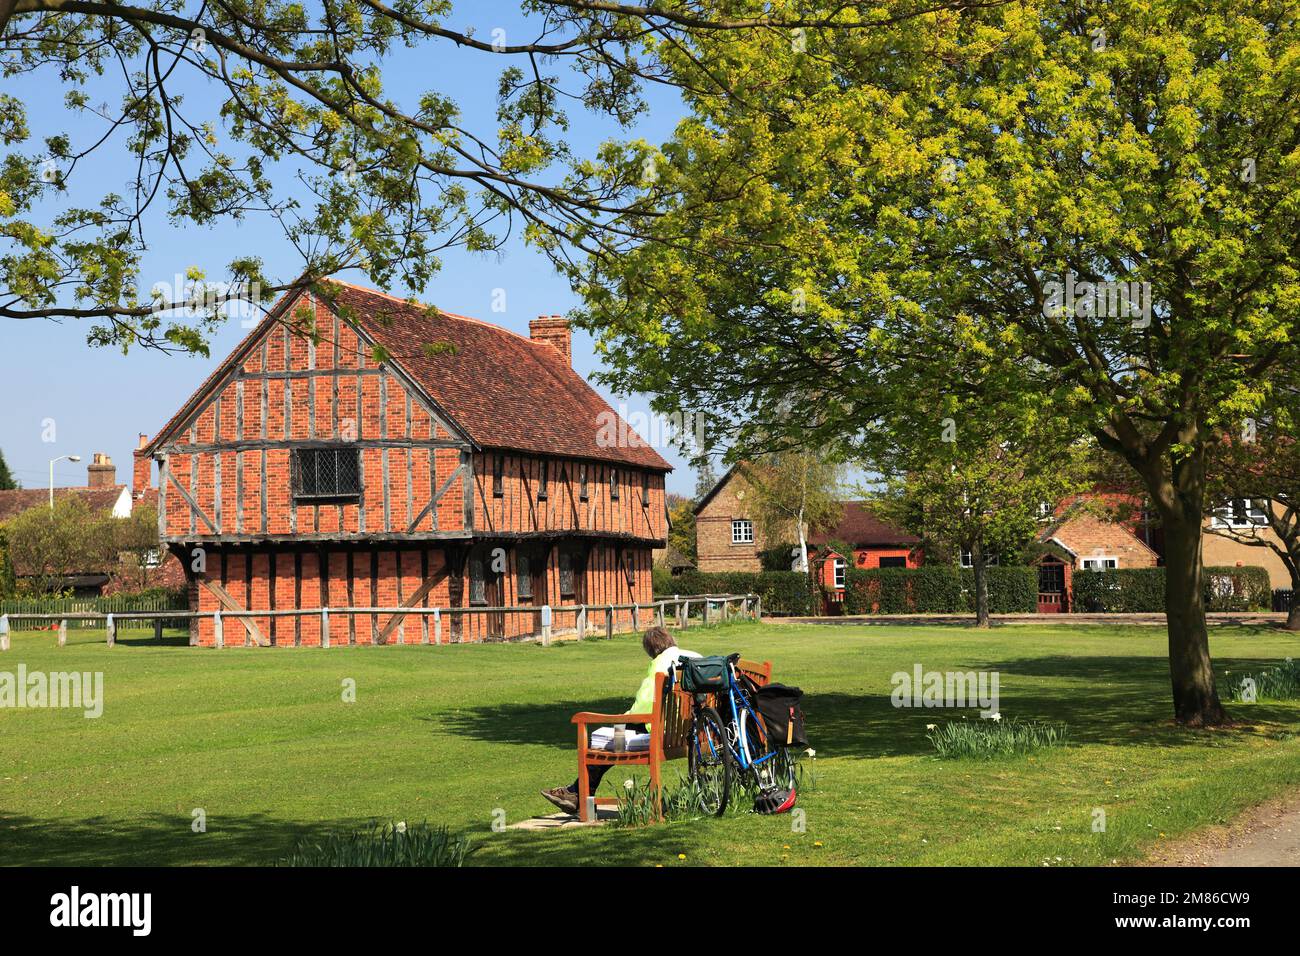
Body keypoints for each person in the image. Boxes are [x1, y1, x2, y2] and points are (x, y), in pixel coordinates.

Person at [540, 626, 699, 814]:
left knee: (604, 740)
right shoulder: (694, 656)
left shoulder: (659, 663)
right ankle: (577, 793)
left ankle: (580, 795)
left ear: (652, 649)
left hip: (663, 736)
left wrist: (621, 719)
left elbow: (644, 705)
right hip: (689, 733)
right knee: (614, 736)